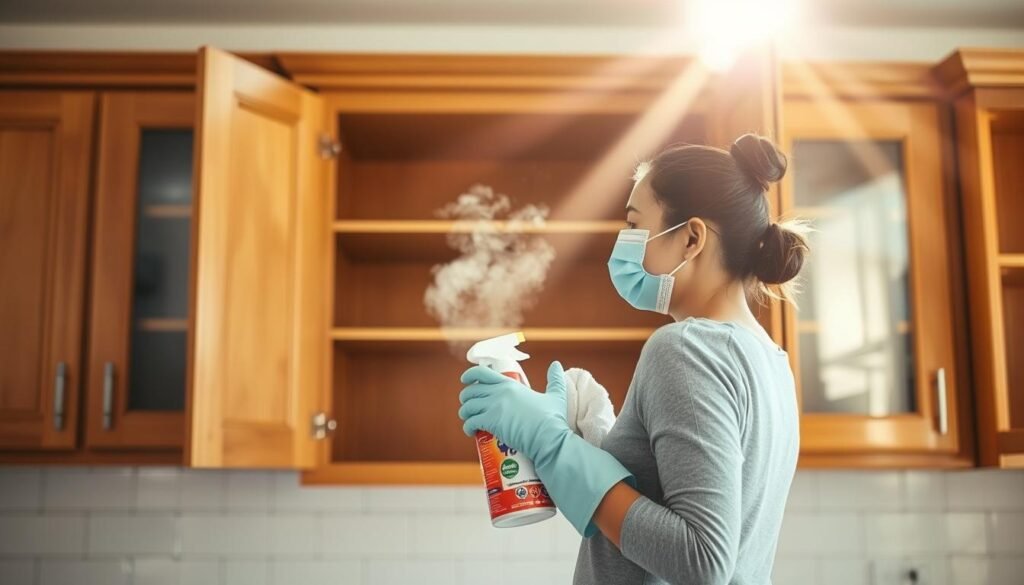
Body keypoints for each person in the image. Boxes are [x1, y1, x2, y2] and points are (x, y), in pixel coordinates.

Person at [457, 133, 806, 585]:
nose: (622, 242)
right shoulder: (771, 361)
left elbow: (702, 560)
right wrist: (595, 444)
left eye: (634, 225)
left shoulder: (686, 348)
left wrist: (551, 444)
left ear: (691, 238)